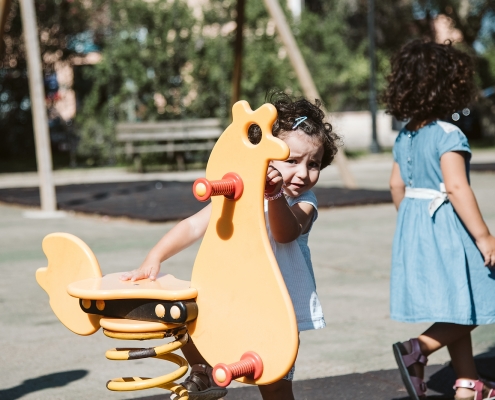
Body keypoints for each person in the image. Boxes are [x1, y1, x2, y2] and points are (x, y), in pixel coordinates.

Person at [120, 91, 340, 400]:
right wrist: (154, 257)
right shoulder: (241, 193)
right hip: (233, 294)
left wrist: (274, 194)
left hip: (277, 310)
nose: (303, 173)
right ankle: (204, 371)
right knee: (184, 316)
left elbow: (285, 233)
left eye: (314, 164)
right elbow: (194, 224)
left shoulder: (304, 202)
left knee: (274, 385)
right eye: (291, 160)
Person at [383, 39, 495, 400]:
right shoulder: (449, 134)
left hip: (417, 225)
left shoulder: (406, 135)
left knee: (455, 301)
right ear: (451, 86)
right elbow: (457, 187)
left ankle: (468, 382)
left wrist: (412, 228)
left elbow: (395, 185)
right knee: (484, 294)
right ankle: (418, 348)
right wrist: (484, 236)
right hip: (448, 227)